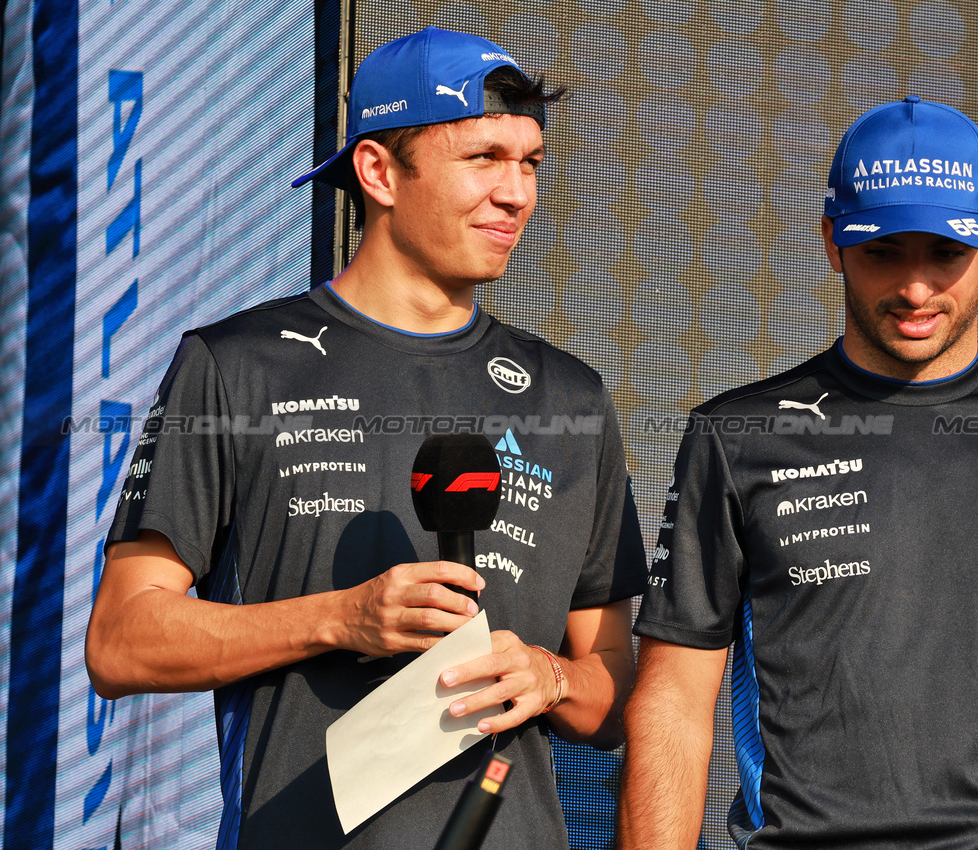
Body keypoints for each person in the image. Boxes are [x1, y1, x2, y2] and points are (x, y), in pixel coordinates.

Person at [85, 26, 647, 849]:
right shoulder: (237, 365)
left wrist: (552, 676)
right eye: (484, 158)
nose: (516, 193)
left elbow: (616, 695)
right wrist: (339, 619)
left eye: (530, 163)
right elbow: (120, 642)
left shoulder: (570, 396)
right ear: (378, 171)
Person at [617, 95, 978, 848]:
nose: (915, 288)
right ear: (831, 241)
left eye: (945, 252)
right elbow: (673, 702)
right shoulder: (737, 436)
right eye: (883, 251)